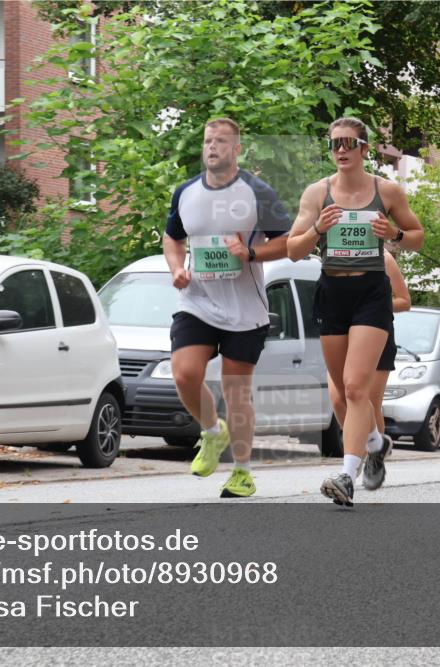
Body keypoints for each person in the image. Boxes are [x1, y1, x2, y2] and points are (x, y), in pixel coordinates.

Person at [287, 117, 423, 507]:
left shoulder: (388, 191)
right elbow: (293, 250)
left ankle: (347, 476)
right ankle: (377, 443)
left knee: (354, 386)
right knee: (342, 397)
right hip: (332, 291)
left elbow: (416, 237)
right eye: (335, 144)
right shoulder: (317, 193)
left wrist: (393, 234)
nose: (341, 150)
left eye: (349, 143)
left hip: (371, 292)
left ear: (365, 149)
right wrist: (317, 228)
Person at [164, 118, 290, 498]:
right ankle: (212, 432)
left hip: (244, 310)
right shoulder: (186, 193)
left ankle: (242, 471)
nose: (212, 147)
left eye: (221, 141)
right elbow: (172, 240)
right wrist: (176, 269)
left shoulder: (257, 192)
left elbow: (290, 242)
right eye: (207, 141)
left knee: (237, 392)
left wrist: (251, 252)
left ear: (237, 150)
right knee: (185, 374)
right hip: (198, 302)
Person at [326, 248, 412, 491]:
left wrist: (371, 303)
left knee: (368, 400)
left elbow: (404, 300)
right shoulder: (333, 253)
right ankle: (371, 445)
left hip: (375, 331)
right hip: (341, 330)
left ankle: (366, 462)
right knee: (338, 398)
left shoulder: (383, 258)